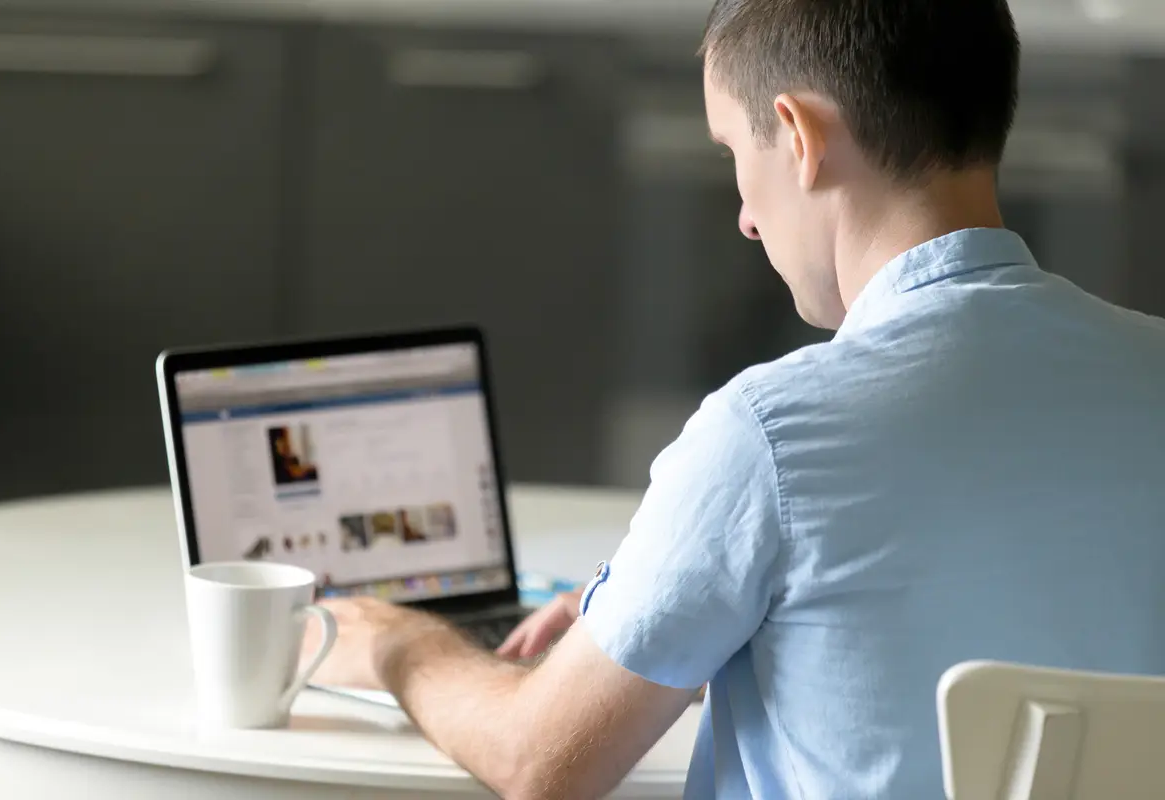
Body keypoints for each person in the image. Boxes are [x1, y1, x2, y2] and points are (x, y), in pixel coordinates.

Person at [305, 0, 1165, 797]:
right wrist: (671, 613)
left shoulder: (770, 434)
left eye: (733, 155)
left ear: (797, 136)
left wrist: (398, 644)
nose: (747, 218)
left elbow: (540, 761)